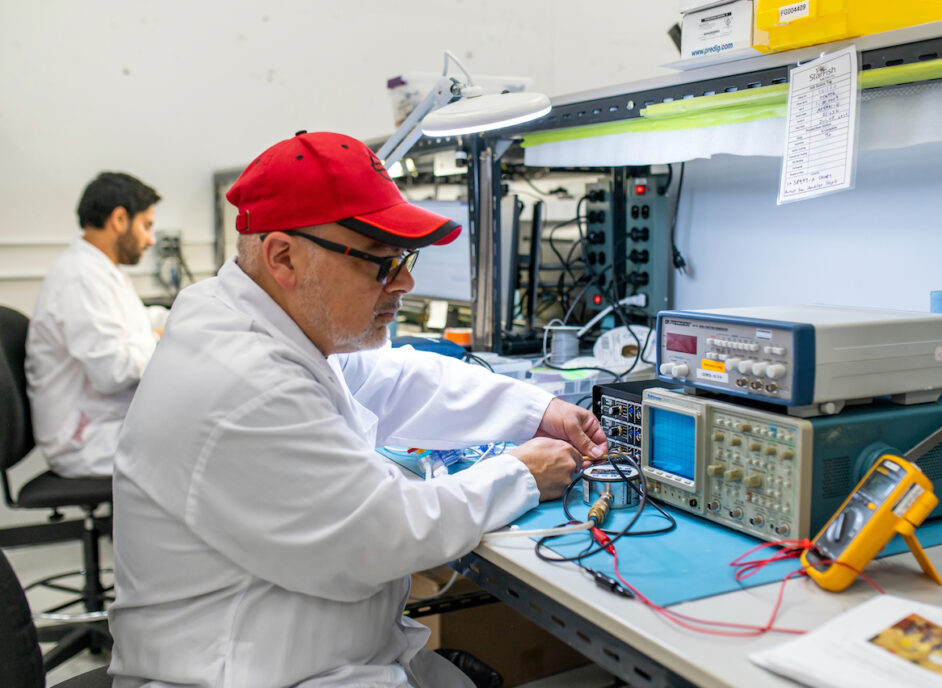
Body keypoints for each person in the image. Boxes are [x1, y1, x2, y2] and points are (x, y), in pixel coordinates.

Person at [108, 131, 608, 688]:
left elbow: (393, 379)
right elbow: (387, 533)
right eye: (381, 263)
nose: (406, 282)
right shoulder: (244, 381)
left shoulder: (263, 321)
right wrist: (522, 473)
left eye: (404, 259)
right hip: (252, 672)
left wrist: (536, 409)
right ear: (283, 257)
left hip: (307, 651)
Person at [25, 172, 164, 478]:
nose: (151, 239)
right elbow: (112, 372)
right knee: (201, 443)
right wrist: (157, 338)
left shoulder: (98, 269)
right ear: (119, 219)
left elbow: (138, 321)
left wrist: (180, 319)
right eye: (146, 225)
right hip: (86, 441)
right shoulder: (80, 278)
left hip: (108, 421)